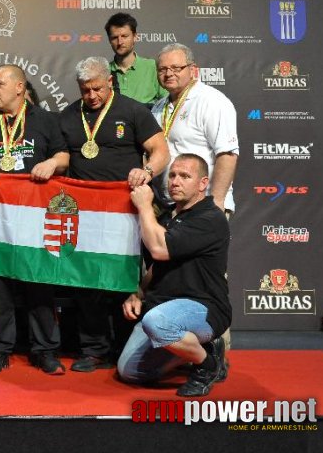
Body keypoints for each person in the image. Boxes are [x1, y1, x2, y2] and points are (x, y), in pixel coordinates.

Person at [0, 64, 70, 375]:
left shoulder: (45, 120)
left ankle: (45, 350)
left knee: (40, 282)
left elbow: (64, 157)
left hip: (38, 218)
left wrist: (51, 163)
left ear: (19, 87)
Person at [59, 56, 169, 372]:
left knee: (124, 279)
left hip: (125, 212)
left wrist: (146, 171)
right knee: (87, 282)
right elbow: (63, 157)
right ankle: (94, 349)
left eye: (96, 88)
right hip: (86, 214)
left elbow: (161, 150)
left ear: (109, 80)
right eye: (84, 90)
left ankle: (125, 346)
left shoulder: (134, 110)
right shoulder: (68, 116)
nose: (91, 96)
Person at [118, 154, 230, 397]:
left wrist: (145, 206)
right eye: (172, 175)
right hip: (164, 307)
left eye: (185, 176)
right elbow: (154, 268)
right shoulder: (167, 216)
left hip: (203, 307)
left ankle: (207, 364)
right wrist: (137, 293)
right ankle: (200, 347)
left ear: (202, 183)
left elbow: (160, 250)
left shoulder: (210, 218)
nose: (175, 182)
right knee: (130, 371)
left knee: (156, 323)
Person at [151, 43, 239, 215]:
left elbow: (227, 154)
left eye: (176, 68)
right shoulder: (158, 107)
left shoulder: (212, 101)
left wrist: (216, 203)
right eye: (162, 69)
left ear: (192, 69)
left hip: (202, 205)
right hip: (167, 206)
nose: (169, 74)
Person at [105, 13, 166, 107]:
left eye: (124, 36)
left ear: (135, 37)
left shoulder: (152, 67)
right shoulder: (104, 72)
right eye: (114, 38)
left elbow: (167, 103)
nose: (120, 42)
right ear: (109, 40)